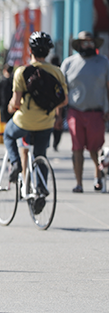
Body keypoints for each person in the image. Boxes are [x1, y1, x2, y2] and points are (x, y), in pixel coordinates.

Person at [3, 32, 68, 198]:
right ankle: (41, 189)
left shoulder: (21, 72)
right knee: (41, 155)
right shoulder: (57, 72)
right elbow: (64, 100)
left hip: (24, 122)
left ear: (30, 50)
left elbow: (16, 103)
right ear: (48, 52)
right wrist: (48, 106)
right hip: (46, 122)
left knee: (8, 135)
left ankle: (16, 163)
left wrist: (11, 106)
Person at [60, 31, 109, 193]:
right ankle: (79, 183)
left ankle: (98, 175)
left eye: (90, 42)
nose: (87, 45)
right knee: (77, 148)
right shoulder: (68, 63)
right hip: (75, 111)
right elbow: (62, 91)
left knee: (96, 148)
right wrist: (58, 114)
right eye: (84, 43)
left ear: (94, 44)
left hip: (96, 112)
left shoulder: (103, 62)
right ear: (78, 45)